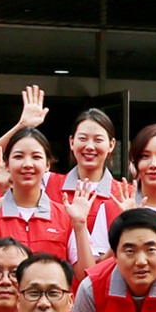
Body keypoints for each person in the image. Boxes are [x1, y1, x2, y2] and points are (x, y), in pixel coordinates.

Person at [0, 129, 84, 261]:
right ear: (6, 164)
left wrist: (80, 225)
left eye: (36, 157)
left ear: (47, 165)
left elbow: (84, 274)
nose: (28, 164)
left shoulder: (67, 216)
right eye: (18, 157)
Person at [51, 108, 123, 260]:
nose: (90, 146)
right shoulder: (48, 183)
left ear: (111, 145)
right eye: (83, 139)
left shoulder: (124, 194)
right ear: (72, 142)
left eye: (98, 140)